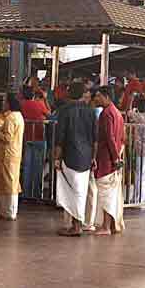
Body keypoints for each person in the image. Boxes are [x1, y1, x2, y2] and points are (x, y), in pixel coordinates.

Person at [55, 82, 98, 237]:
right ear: (83, 94)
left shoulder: (64, 111)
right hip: (86, 157)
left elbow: (60, 137)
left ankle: (76, 225)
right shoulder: (91, 111)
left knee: (71, 191)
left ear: (69, 93)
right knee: (81, 191)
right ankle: (77, 223)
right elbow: (95, 138)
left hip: (70, 155)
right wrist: (93, 157)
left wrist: (57, 158)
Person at [91, 87, 125, 235]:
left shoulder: (106, 114)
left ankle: (106, 227)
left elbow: (110, 137)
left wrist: (115, 157)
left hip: (106, 158)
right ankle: (111, 225)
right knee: (112, 192)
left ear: (106, 96)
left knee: (105, 193)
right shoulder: (118, 113)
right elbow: (122, 139)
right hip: (114, 158)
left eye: (98, 96)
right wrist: (118, 156)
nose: (95, 99)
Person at [0, 93, 25, 220]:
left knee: (6, 182)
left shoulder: (10, 118)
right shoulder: (19, 116)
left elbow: (8, 137)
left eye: (4, 102)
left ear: (9, 103)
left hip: (7, 154)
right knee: (12, 182)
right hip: (14, 153)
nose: (3, 105)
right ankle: (10, 211)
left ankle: (6, 212)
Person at [19, 85, 51, 198]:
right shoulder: (40, 104)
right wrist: (45, 99)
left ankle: (26, 193)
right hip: (39, 138)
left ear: (22, 95)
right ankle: (37, 194)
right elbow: (50, 115)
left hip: (26, 139)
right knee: (38, 169)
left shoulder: (21, 105)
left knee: (27, 167)